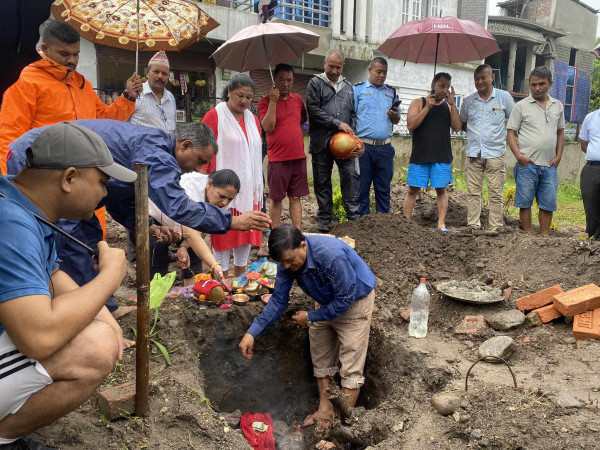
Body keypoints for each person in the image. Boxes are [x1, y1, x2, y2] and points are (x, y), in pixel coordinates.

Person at [7, 120, 271, 299]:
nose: (199, 169)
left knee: (90, 241)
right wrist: (231, 221)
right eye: (200, 160)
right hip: (38, 159)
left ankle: (102, 308)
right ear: (185, 145)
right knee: (66, 242)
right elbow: (177, 206)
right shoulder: (156, 152)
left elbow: (120, 197)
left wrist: (149, 227)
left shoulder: (154, 149)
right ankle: (55, 309)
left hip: (75, 184)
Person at [0, 122, 135, 447]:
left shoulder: (24, 206)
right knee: (95, 348)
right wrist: (109, 277)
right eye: (102, 182)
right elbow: (39, 337)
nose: (105, 194)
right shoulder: (12, 224)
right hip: (30, 335)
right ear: (69, 178)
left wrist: (108, 319)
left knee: (101, 331)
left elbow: (53, 275)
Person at [239, 224, 376, 427]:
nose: (286, 267)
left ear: (303, 246)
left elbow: (345, 299)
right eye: (282, 263)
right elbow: (278, 300)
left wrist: (311, 316)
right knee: (321, 358)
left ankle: (339, 425)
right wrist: (252, 332)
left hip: (354, 303)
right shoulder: (287, 261)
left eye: (290, 261)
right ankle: (325, 411)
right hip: (325, 302)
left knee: (351, 367)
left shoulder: (331, 256)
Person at [0, 20, 142, 174]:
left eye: (76, 54)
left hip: (83, 172)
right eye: (64, 54)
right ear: (45, 49)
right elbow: (10, 138)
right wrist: (12, 182)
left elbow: (103, 121)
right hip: (44, 176)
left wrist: (128, 97)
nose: (72, 61)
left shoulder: (82, 84)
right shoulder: (25, 81)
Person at [202, 74, 264, 277]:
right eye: (240, 95)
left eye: (249, 97)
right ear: (228, 92)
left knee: (245, 233)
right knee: (223, 233)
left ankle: (240, 280)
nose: (244, 101)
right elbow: (202, 149)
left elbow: (256, 151)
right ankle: (221, 279)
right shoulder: (214, 116)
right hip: (223, 188)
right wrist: (204, 180)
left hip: (248, 188)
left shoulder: (253, 120)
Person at [149, 169, 242, 286]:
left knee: (193, 263)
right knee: (157, 262)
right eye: (222, 196)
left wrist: (183, 246)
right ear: (209, 184)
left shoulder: (221, 201)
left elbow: (201, 229)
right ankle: (154, 294)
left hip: (187, 227)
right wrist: (214, 265)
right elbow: (191, 231)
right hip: (159, 218)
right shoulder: (189, 188)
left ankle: (190, 291)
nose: (225, 203)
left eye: (230, 199)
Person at [507, 66, 565, 235]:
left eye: (541, 84)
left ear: (550, 84)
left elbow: (560, 133)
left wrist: (558, 156)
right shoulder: (521, 106)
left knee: (548, 204)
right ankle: (527, 237)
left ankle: (544, 237)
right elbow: (511, 133)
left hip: (550, 166)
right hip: (527, 165)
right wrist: (519, 156)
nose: (537, 88)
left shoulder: (557, 106)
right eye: (533, 85)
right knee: (525, 202)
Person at [306, 49, 359, 232]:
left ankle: (353, 218)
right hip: (321, 141)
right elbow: (313, 110)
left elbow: (353, 113)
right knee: (322, 180)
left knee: (350, 176)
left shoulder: (348, 86)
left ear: (343, 66)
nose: (335, 71)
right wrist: (337, 123)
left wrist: (352, 132)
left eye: (338, 67)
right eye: (331, 66)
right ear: (324, 63)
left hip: (345, 142)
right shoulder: (315, 83)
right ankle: (324, 220)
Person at [460, 64, 514, 235]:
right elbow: (463, 124)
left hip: (495, 153)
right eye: (476, 79)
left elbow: (513, 121)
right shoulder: (468, 101)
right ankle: (473, 225)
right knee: (473, 192)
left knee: (495, 192)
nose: (480, 81)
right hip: (473, 153)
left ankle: (496, 226)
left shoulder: (504, 98)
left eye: (483, 77)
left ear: (492, 77)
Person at [404, 72, 462, 232]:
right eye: (441, 86)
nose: (444, 90)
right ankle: (406, 222)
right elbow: (411, 125)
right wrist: (427, 108)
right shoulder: (418, 102)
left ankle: (441, 224)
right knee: (412, 190)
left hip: (442, 156)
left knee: (441, 190)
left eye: (447, 87)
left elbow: (457, 127)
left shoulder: (448, 107)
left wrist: (453, 105)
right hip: (420, 155)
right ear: (433, 85)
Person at [258, 63, 309, 230]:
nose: (286, 84)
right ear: (274, 80)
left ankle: (297, 233)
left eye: (289, 80)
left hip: (298, 157)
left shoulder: (298, 100)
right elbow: (268, 127)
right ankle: (275, 235)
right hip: (278, 159)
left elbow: (302, 119)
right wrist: (273, 102)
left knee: (296, 197)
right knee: (276, 199)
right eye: (281, 79)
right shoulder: (265, 102)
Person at [353, 57, 400, 215]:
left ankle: (383, 223)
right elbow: (351, 115)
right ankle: (362, 222)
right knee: (362, 188)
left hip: (385, 148)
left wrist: (395, 116)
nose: (382, 75)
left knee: (384, 189)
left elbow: (397, 119)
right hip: (363, 147)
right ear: (370, 70)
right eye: (379, 71)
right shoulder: (358, 90)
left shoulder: (391, 92)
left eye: (385, 72)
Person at [129, 51, 176, 133]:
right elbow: (120, 124)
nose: (160, 76)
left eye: (164, 74)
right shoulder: (134, 93)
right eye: (156, 72)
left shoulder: (170, 97)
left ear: (168, 76)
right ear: (147, 73)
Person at [579, 108, 600, 239]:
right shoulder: (591, 117)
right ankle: (592, 235)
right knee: (591, 204)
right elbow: (584, 143)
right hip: (592, 168)